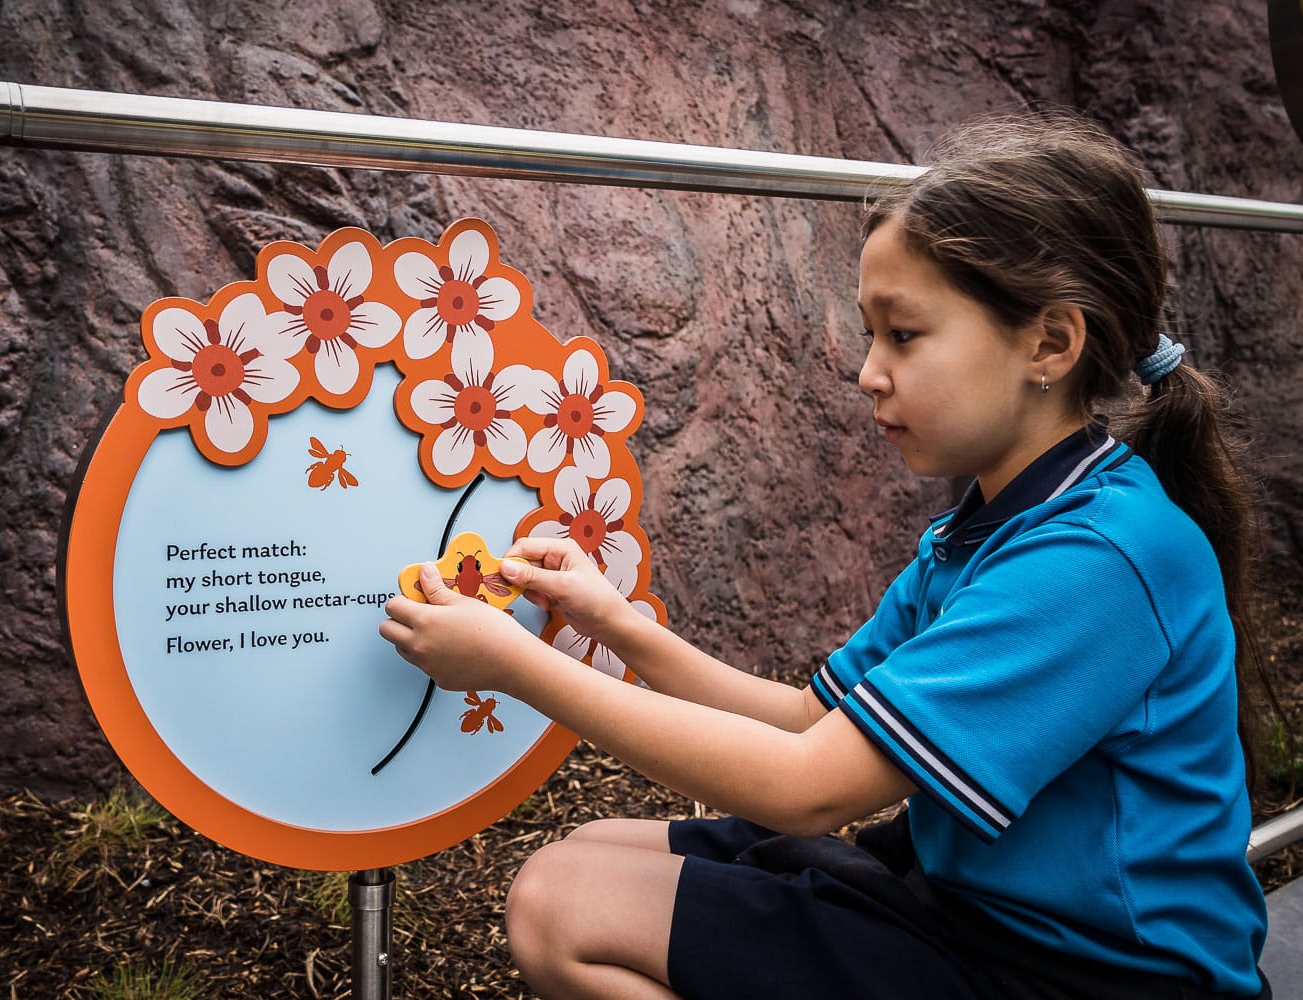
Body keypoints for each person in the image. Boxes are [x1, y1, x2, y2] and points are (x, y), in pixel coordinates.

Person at [379, 112, 1273, 999]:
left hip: (1089, 976)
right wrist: (615, 622)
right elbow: (809, 721)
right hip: (973, 909)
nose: (868, 371)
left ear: (1048, 343)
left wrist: (515, 666)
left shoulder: (1096, 559)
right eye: (870, 332)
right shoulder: (990, 525)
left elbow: (807, 789)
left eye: (904, 334)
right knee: (592, 850)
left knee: (557, 903)